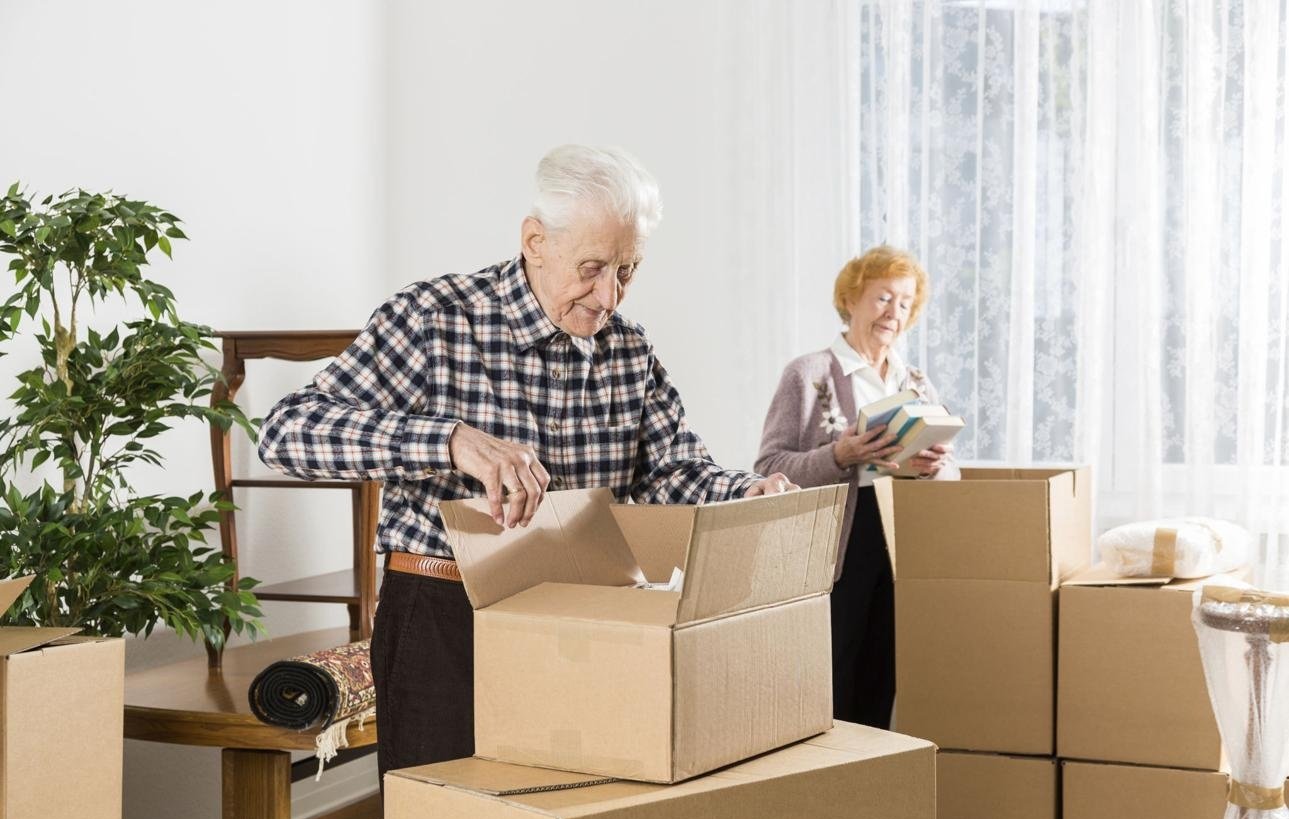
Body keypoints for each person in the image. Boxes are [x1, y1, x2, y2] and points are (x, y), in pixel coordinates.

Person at [258, 144, 795, 785]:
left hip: (585, 615)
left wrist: (748, 489)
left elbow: (671, 472)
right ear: (535, 241)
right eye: (592, 268)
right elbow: (288, 433)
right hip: (442, 614)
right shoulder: (434, 319)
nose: (609, 296)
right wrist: (450, 440)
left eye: (628, 270)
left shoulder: (629, 350)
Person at [755, 245, 959, 730]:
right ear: (851, 299)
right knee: (833, 688)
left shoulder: (915, 382)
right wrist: (838, 456)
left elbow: (954, 476)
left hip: (900, 549)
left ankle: (871, 792)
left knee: (882, 684)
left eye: (905, 303)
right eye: (883, 297)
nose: (894, 313)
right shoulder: (808, 374)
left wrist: (936, 467)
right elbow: (768, 466)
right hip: (838, 552)